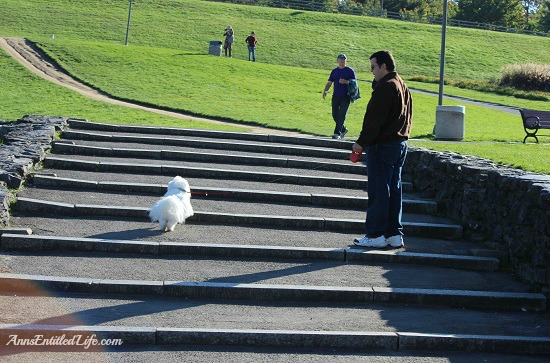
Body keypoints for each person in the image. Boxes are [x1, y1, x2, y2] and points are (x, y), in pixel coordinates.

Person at [352, 50, 413, 248]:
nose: (372, 72)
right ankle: (394, 234)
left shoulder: (386, 87)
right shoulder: (402, 85)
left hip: (382, 145)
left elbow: (374, 120)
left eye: (373, 67)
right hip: (399, 144)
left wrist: (361, 142)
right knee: (394, 190)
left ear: (384, 66)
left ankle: (375, 234)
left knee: (378, 191)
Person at [322, 54, 356, 139]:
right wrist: (325, 91)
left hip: (346, 96)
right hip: (336, 96)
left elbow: (355, 83)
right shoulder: (334, 71)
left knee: (341, 115)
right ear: (337, 60)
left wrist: (346, 81)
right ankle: (343, 129)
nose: (342, 60)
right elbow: (329, 83)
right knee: (335, 114)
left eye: (344, 59)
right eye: (341, 59)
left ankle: (337, 133)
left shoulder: (350, 71)